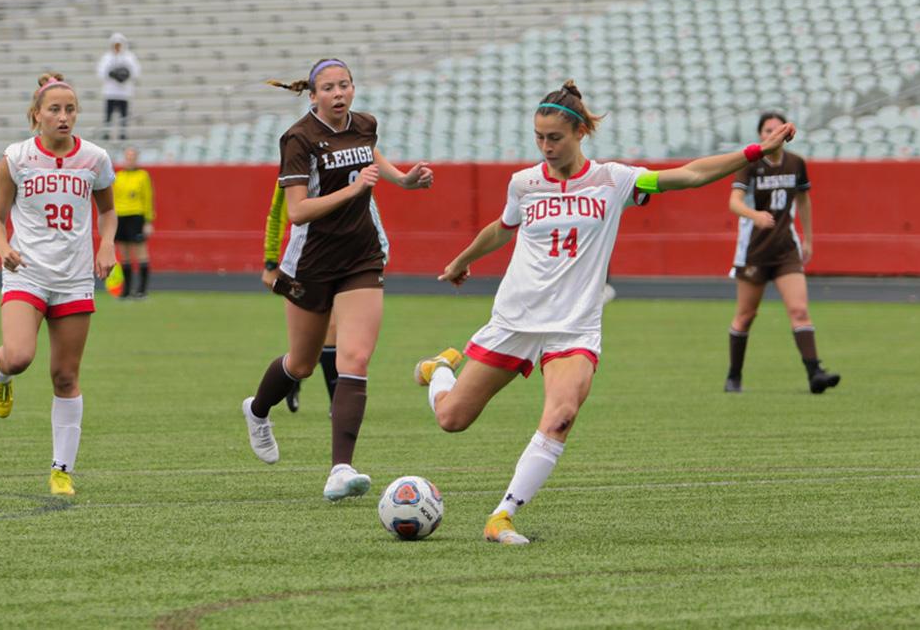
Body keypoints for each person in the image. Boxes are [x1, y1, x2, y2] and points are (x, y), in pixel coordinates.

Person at [413, 80, 797, 544]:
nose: (545, 146)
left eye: (554, 137)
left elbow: (691, 174)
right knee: (452, 419)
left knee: (561, 416)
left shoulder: (615, 179)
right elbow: (502, 227)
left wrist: (757, 150)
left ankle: (502, 517)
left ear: (579, 132)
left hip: (574, 326)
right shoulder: (524, 183)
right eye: (538, 137)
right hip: (515, 319)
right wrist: (463, 259)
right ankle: (439, 370)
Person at [241, 58, 432, 501]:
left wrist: (402, 181)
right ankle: (257, 410)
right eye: (328, 87)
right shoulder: (298, 138)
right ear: (313, 95)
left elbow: (368, 154)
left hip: (361, 256)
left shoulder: (365, 124)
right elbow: (297, 211)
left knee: (355, 359)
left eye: (344, 84)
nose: (338, 93)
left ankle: (340, 469)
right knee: (301, 363)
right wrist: (353, 190)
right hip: (311, 262)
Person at [0, 72, 117, 496]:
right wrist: (4, 246)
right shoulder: (17, 157)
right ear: (36, 114)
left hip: (75, 278)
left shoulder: (95, 158)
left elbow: (108, 211)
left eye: (70, 109)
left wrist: (107, 245)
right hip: (27, 273)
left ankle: (61, 469)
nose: (64, 117)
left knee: (65, 376)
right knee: (20, 356)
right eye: (55, 110)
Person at [724, 112, 841, 394]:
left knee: (799, 310)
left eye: (777, 129)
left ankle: (815, 373)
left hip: (786, 249)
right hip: (754, 250)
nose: (772, 134)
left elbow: (804, 201)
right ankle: (734, 376)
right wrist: (755, 215)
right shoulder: (750, 164)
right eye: (766, 130)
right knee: (746, 315)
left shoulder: (795, 163)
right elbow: (734, 202)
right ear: (760, 135)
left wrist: (808, 239)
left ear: (787, 133)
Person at [262, 180, 340, 413]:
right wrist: (270, 262)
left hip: (344, 260)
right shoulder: (294, 167)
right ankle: (294, 378)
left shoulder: (343, 163)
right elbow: (276, 214)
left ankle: (336, 403)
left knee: (333, 329)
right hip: (306, 263)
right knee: (312, 342)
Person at [113, 146, 155, 299]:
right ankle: (126, 290)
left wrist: (148, 221)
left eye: (132, 156)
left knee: (141, 253)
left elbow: (148, 198)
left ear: (136, 158)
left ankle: (142, 290)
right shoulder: (118, 176)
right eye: (127, 156)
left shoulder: (143, 176)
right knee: (124, 255)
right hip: (120, 216)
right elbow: (113, 199)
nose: (130, 159)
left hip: (136, 216)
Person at [96, 32, 141, 141]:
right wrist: (112, 74)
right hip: (110, 92)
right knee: (108, 115)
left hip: (124, 92)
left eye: (119, 45)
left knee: (124, 116)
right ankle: (106, 133)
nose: (117, 48)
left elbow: (136, 71)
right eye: (115, 45)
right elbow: (101, 72)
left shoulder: (129, 57)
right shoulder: (107, 58)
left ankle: (122, 134)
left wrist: (125, 74)